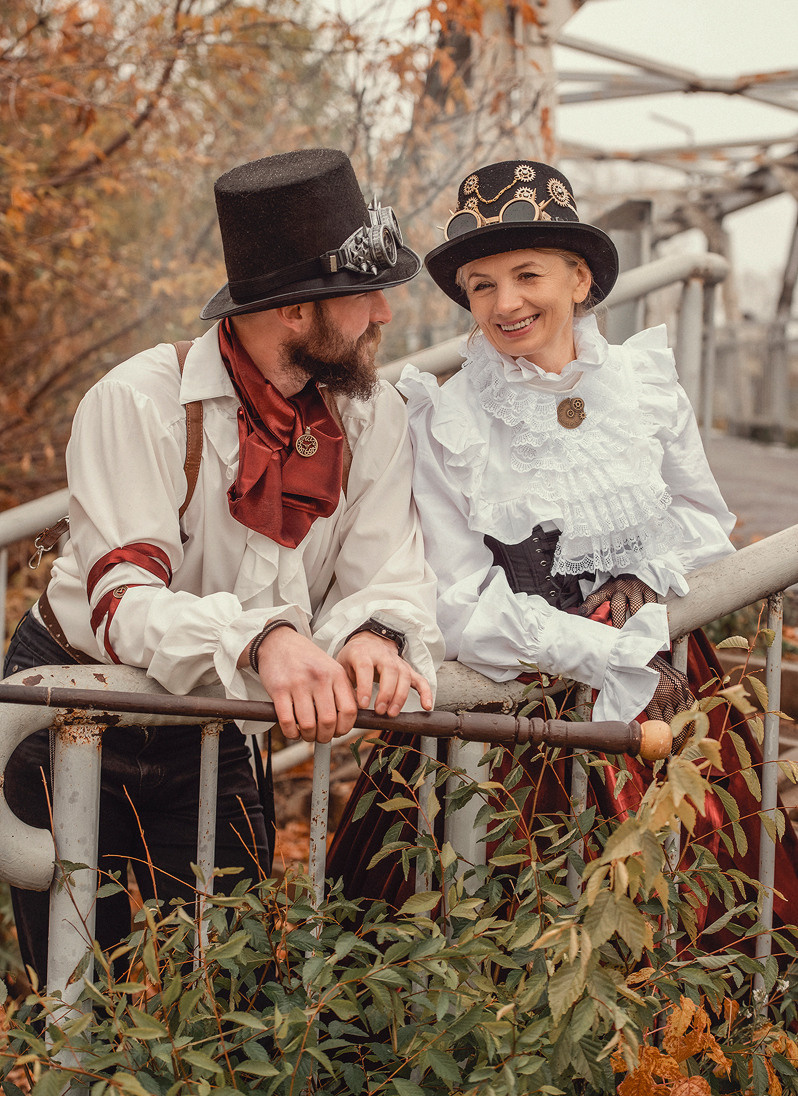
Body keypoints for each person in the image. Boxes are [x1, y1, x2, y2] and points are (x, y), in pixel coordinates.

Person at [3, 147, 443, 984]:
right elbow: (123, 601)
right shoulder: (136, 401)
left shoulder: (374, 413)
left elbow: (387, 569)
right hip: (75, 710)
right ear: (293, 314)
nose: (386, 311)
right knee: (75, 987)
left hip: (212, 725)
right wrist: (264, 641)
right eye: (364, 293)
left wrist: (375, 635)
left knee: (227, 979)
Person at [328, 159, 798, 930]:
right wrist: (599, 651)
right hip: (516, 707)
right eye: (482, 285)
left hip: (666, 673)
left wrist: (645, 576)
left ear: (579, 280)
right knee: (505, 926)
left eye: (527, 275)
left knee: (704, 909)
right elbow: (457, 601)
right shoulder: (444, 419)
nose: (506, 303)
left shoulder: (644, 384)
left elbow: (703, 516)